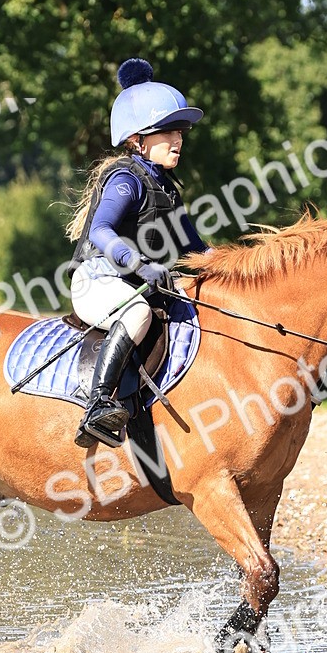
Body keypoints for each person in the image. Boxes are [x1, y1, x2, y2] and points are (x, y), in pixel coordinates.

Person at [66, 57, 210, 447]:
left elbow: (196, 248)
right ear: (138, 140)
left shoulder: (167, 189)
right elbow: (100, 230)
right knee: (138, 312)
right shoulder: (126, 179)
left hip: (135, 283)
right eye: (167, 132)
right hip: (100, 281)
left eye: (180, 132)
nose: (178, 140)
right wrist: (138, 263)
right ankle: (98, 405)